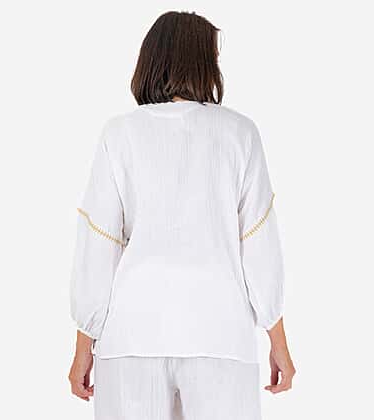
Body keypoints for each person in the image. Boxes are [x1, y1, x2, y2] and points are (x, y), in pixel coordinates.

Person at [68, 10, 295, 420]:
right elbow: (259, 244)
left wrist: (84, 346)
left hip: (132, 335)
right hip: (220, 334)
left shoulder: (119, 134)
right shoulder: (240, 133)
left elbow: (99, 244)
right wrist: (277, 341)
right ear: (204, 62)